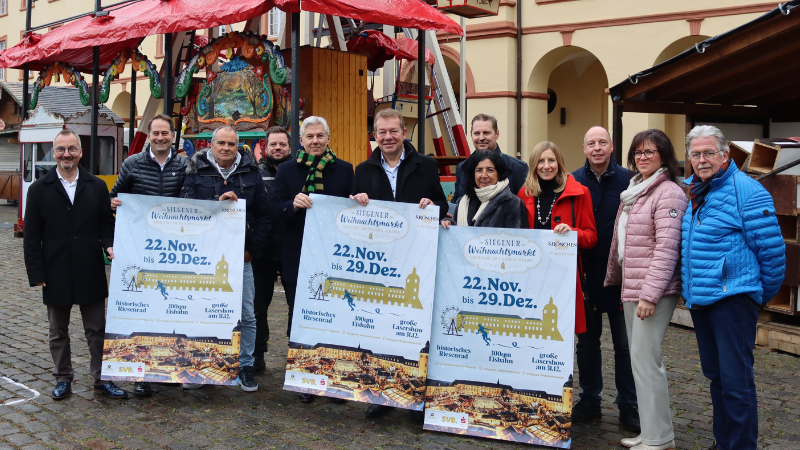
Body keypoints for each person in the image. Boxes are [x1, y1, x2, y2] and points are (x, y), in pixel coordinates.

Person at [682, 125, 785, 450]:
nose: (702, 159)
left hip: (733, 301)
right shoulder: (695, 192)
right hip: (703, 299)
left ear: (725, 154)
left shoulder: (748, 192)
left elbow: (772, 253)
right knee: (716, 378)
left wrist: (754, 297)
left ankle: (741, 445)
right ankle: (723, 441)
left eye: (709, 152)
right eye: (696, 154)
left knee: (736, 382)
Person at [350, 108, 447, 420]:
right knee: (382, 328)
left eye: (393, 131)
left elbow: (442, 204)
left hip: (417, 262)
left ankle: (417, 396)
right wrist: (357, 200)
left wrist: (434, 206)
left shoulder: (426, 165)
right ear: (374, 136)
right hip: (381, 264)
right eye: (381, 132)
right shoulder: (363, 169)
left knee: (417, 330)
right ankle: (383, 393)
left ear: (404, 133)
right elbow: (353, 214)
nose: (388, 137)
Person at [23, 129, 128, 400]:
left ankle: (102, 379)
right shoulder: (38, 190)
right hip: (54, 269)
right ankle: (63, 377)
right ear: (53, 152)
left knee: (97, 329)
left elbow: (105, 224)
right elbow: (32, 237)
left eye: (71, 149)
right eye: (60, 149)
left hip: (89, 267)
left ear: (80, 152)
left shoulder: (96, 186)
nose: (66, 154)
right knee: (58, 331)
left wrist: (109, 244)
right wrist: (36, 272)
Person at [604, 129, 688, 450]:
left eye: (649, 152)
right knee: (639, 361)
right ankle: (652, 431)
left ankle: (658, 438)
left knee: (647, 360)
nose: (642, 158)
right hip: (632, 286)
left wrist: (650, 295)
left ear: (664, 156)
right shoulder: (636, 189)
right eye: (638, 153)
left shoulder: (668, 193)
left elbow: (667, 249)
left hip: (653, 291)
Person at [269, 116, 354, 402]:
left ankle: (333, 376)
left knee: (335, 315)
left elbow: (352, 209)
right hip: (298, 255)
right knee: (300, 315)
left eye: (320, 136)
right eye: (310, 137)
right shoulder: (286, 171)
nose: (315, 141)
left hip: (334, 258)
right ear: (301, 141)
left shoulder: (345, 170)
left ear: (328, 138)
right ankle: (304, 375)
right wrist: (291, 205)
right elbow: (274, 209)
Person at [181, 126, 270, 393]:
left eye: (231, 144)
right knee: (201, 311)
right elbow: (185, 209)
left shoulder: (251, 173)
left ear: (238, 146)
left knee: (246, 315)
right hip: (204, 258)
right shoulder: (195, 171)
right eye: (221, 143)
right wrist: (216, 202)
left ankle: (245, 366)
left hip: (240, 256)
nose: (226, 148)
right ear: (211, 144)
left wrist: (251, 251)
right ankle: (201, 364)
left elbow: (264, 217)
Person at [108, 114, 187, 397]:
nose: (160, 137)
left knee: (170, 310)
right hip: (142, 251)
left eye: (165, 133)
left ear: (172, 135)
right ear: (150, 136)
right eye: (155, 133)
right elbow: (114, 197)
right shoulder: (132, 163)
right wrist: (114, 203)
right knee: (143, 313)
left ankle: (167, 370)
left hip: (173, 252)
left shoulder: (184, 165)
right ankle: (141, 373)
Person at [571, 126, 640, 430]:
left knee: (626, 346)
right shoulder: (572, 180)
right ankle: (590, 400)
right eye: (591, 143)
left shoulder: (630, 180)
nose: (597, 148)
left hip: (622, 279)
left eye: (602, 142)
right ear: (584, 149)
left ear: (612, 146)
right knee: (587, 344)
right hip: (586, 276)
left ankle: (629, 405)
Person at [518, 141, 597, 336]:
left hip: (564, 277)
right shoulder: (524, 194)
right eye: (541, 161)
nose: (546, 166)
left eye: (551, 160)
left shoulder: (580, 193)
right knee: (532, 332)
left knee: (562, 334)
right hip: (532, 276)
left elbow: (591, 237)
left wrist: (572, 233)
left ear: (559, 163)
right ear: (534, 165)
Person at [252, 126, 292, 373]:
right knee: (258, 305)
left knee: (296, 305)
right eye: (273, 144)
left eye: (282, 144)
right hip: (263, 249)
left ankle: (297, 354)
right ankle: (258, 353)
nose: (278, 148)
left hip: (290, 248)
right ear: (266, 147)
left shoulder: (298, 172)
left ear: (289, 147)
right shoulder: (255, 173)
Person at [441, 150, 527, 229]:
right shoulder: (462, 202)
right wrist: (449, 225)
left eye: (490, 170)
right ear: (473, 174)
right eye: (479, 170)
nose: (484, 175)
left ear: (499, 174)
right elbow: (457, 235)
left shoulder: (513, 203)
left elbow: (515, 240)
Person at [452, 114, 528, 202]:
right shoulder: (462, 168)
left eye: (486, 133)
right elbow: (456, 201)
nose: (481, 138)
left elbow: (523, 207)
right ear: (471, 135)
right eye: (476, 133)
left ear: (497, 134)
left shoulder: (518, 168)